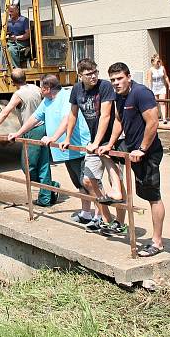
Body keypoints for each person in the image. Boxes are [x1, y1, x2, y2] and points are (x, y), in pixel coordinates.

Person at [99, 62, 165, 257]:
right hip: (130, 147)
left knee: (153, 197)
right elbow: (119, 121)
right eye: (113, 80)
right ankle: (117, 190)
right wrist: (110, 144)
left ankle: (157, 242)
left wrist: (142, 149)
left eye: (119, 79)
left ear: (128, 76)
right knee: (104, 152)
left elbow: (153, 122)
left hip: (148, 151)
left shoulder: (141, 93)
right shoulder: (119, 97)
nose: (116, 83)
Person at [54, 58, 126, 234]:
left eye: (95, 72)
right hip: (94, 142)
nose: (93, 76)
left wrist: (97, 142)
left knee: (116, 183)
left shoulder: (105, 87)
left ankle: (120, 223)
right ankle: (106, 218)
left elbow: (106, 115)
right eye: (88, 74)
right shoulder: (76, 90)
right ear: (80, 76)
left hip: (112, 141)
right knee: (87, 180)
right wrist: (67, 138)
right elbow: (72, 115)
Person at [8, 75, 93, 224]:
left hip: (77, 146)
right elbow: (34, 118)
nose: (40, 90)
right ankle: (86, 213)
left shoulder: (66, 96)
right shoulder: (47, 101)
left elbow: (67, 119)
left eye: (41, 87)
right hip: (65, 149)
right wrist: (18, 133)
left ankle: (100, 217)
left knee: (88, 183)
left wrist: (53, 137)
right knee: (79, 184)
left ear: (47, 88)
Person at [0, 68, 58, 206]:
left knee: (27, 167)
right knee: (43, 164)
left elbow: (5, 112)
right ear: (26, 77)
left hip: (32, 130)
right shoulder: (36, 88)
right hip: (43, 128)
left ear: (12, 82)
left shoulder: (19, 94)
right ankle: (45, 197)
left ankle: (50, 186)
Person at [148, 54, 170, 124]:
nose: (158, 62)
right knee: (154, 104)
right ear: (153, 62)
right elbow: (149, 80)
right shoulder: (151, 70)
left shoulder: (162, 68)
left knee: (162, 103)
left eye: (159, 60)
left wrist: (169, 86)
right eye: (157, 61)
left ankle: (164, 118)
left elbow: (166, 77)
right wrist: (150, 89)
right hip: (154, 88)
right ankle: (155, 118)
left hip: (162, 87)